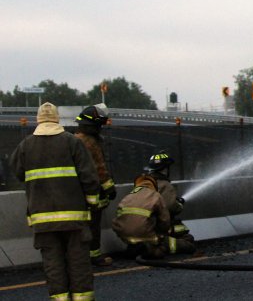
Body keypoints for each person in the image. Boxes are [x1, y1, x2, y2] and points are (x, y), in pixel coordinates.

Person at [9, 102, 101, 301]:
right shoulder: (72, 142)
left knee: (53, 262)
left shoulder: (26, 145)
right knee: (78, 260)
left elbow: (17, 171)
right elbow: (89, 176)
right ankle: (82, 298)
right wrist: (93, 201)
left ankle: (60, 298)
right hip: (74, 216)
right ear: (57, 119)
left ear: (38, 120)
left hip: (42, 218)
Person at [74, 104, 116, 266]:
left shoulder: (74, 139)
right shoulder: (89, 142)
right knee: (93, 225)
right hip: (91, 193)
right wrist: (109, 188)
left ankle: (80, 257)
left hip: (76, 192)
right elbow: (98, 167)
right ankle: (94, 256)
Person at [111, 172, 173, 259]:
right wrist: (162, 235)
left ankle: (134, 248)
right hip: (145, 235)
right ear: (153, 184)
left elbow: (117, 218)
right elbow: (165, 220)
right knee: (159, 251)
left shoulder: (128, 196)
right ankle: (150, 249)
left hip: (124, 235)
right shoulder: (156, 196)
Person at [144, 150, 193, 250]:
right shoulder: (165, 185)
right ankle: (164, 247)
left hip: (141, 227)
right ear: (165, 169)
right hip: (155, 228)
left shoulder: (143, 183)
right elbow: (170, 207)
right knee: (188, 240)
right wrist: (179, 204)